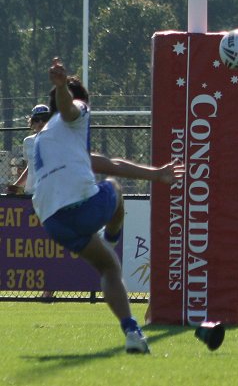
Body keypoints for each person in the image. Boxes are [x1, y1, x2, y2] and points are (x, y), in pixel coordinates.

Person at [32, 57, 184, 354]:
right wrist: (64, 87)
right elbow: (69, 108)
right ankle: (111, 236)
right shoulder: (76, 111)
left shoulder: (47, 137)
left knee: (109, 266)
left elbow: (107, 162)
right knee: (114, 189)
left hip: (52, 221)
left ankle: (131, 331)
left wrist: (154, 174)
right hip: (81, 207)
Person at [7, 104, 55, 300]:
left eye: (45, 119)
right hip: (29, 196)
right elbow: (30, 168)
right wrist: (17, 185)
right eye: (38, 119)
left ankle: (49, 288)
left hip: (47, 197)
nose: (41, 123)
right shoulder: (28, 142)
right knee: (28, 245)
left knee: (48, 246)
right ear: (33, 122)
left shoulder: (56, 141)